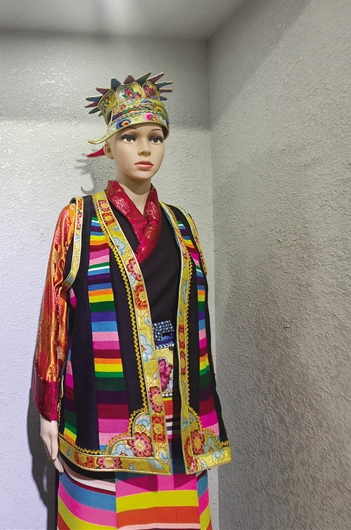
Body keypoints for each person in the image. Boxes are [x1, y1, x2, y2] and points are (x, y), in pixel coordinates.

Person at [32, 73, 231, 529]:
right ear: (108, 147)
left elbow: (198, 322)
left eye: (155, 138)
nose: (145, 149)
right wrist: (48, 406)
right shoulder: (78, 219)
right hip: (104, 406)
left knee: (177, 518)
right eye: (130, 137)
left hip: (180, 410)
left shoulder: (183, 225)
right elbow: (54, 317)